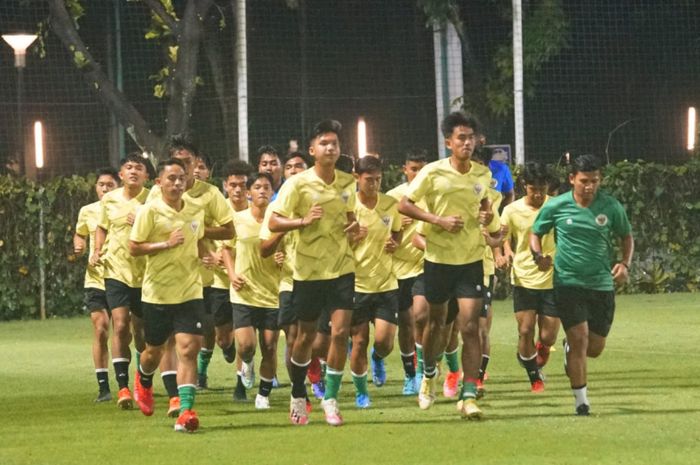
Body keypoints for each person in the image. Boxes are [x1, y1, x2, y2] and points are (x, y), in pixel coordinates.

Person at [398, 111, 500, 419]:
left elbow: (486, 211)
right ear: (448, 142)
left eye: (471, 138)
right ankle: (428, 374)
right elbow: (404, 204)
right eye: (461, 138)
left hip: (470, 261)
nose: (467, 143)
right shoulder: (432, 172)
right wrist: (437, 220)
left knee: (470, 327)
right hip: (438, 260)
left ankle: (468, 394)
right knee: (436, 324)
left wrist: (487, 217)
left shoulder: (482, 175)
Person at [268, 119, 360, 426]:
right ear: (312, 150)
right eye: (324, 143)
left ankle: (330, 400)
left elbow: (350, 218)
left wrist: (355, 228)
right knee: (304, 337)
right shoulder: (296, 184)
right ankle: (297, 393)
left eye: (334, 143)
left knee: (341, 332)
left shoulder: (348, 182)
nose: (330, 147)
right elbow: (274, 223)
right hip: (308, 272)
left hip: (342, 269)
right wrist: (302, 221)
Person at [530, 154, 633, 416]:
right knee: (580, 339)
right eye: (584, 181)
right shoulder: (557, 206)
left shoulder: (610, 206)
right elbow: (536, 232)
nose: (589, 186)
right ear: (571, 179)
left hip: (601, 285)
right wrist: (538, 255)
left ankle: (568, 349)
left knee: (594, 348)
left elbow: (626, 235)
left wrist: (625, 264)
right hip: (568, 283)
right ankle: (581, 402)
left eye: (595, 181)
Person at [147, 135, 234, 415]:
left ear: (196, 163)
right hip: (159, 284)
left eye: (187, 162)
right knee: (159, 346)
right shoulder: (154, 197)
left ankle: (183, 406)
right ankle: (151, 381)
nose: (181, 171)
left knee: (190, 343)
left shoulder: (208, 195)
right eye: (177, 163)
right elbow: (139, 239)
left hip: (197, 280)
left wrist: (198, 233)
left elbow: (228, 230)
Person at [130, 158, 208, 432]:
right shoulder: (149, 211)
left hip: (190, 291)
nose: (177, 183)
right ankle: (144, 377)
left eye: (181, 178)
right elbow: (134, 247)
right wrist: (166, 243)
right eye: (171, 178)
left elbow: (199, 238)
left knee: (188, 348)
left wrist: (206, 254)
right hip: (157, 295)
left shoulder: (196, 209)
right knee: (153, 351)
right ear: (159, 182)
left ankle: (185, 412)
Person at [91, 152, 151, 410]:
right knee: (120, 325)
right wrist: (96, 250)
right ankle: (123, 387)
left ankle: (141, 377)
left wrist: (142, 219)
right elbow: (102, 227)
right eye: (129, 167)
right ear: (121, 175)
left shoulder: (153, 198)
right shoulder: (110, 200)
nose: (134, 171)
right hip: (115, 272)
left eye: (139, 168)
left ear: (146, 175)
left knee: (141, 334)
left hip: (146, 273)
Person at [498, 161, 560, 393]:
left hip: (552, 278)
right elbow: (503, 235)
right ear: (525, 186)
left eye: (542, 188)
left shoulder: (557, 206)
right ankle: (534, 377)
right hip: (523, 277)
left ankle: (537, 353)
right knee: (525, 330)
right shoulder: (511, 210)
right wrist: (506, 251)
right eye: (533, 188)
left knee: (549, 336)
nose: (538, 193)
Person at [222, 172, 281, 409]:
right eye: (257, 187)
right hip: (243, 292)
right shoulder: (238, 219)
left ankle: (263, 395)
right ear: (249, 193)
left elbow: (290, 250)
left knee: (269, 346)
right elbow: (227, 249)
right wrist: (231, 274)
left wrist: (283, 257)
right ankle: (246, 362)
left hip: (272, 293)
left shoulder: (278, 221)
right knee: (246, 345)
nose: (262, 191)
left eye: (267, 187)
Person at [260, 151, 314, 406]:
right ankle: (298, 392)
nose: (294, 170)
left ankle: (315, 373)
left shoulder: (321, 200)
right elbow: (265, 249)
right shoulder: (275, 207)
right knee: (293, 337)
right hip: (290, 282)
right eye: (290, 167)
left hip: (321, 279)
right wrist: (285, 230)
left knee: (320, 339)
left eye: (299, 166)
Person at [348, 156, 402, 408]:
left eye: (378, 179)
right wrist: (352, 239)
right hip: (356, 285)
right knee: (358, 341)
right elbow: (336, 243)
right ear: (357, 178)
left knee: (384, 342)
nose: (374, 184)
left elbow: (398, 232)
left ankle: (378, 358)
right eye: (369, 180)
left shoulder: (391, 204)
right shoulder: (347, 206)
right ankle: (362, 392)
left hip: (386, 284)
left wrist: (395, 242)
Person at [73, 167, 120, 402]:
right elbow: (79, 233)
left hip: (122, 278)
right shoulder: (87, 211)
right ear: (96, 187)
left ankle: (131, 382)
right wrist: (79, 245)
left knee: (126, 333)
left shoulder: (126, 209)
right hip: (95, 280)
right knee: (100, 327)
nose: (105, 188)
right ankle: (104, 387)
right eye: (101, 184)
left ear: (117, 187)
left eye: (110, 185)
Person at [386, 149, 428, 395]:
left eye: (422, 169)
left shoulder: (432, 194)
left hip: (424, 265)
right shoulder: (393, 198)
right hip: (397, 269)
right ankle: (410, 374)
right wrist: (396, 230)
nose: (418, 174)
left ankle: (423, 370)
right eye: (414, 169)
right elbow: (379, 230)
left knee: (421, 317)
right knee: (405, 323)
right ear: (405, 169)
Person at [210, 159, 253, 400]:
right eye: (233, 184)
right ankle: (226, 347)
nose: (238, 189)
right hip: (219, 283)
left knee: (242, 336)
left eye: (242, 185)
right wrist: (209, 254)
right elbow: (201, 235)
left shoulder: (255, 211)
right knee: (223, 337)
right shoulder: (218, 211)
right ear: (225, 185)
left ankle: (240, 384)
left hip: (246, 285)